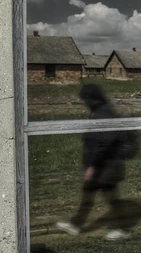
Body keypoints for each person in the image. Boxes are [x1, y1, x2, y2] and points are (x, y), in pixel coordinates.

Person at [56, 83, 131, 240]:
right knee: (89, 195)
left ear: (92, 98)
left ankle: (122, 229)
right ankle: (75, 225)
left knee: (112, 199)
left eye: (85, 99)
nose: (83, 102)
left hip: (106, 166)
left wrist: (92, 166)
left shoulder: (103, 113)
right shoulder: (100, 110)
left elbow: (103, 143)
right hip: (103, 165)